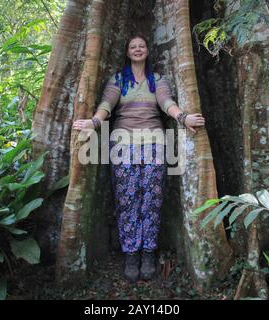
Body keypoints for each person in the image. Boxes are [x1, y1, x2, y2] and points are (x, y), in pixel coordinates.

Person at [72, 34, 205, 282]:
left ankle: (148, 253)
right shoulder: (118, 80)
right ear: (127, 51)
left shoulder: (157, 80)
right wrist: (93, 122)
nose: (137, 49)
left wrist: (183, 117)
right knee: (127, 200)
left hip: (154, 144)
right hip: (122, 146)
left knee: (151, 201)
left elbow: (167, 103)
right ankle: (131, 254)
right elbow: (106, 104)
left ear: (147, 50)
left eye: (141, 46)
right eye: (132, 46)